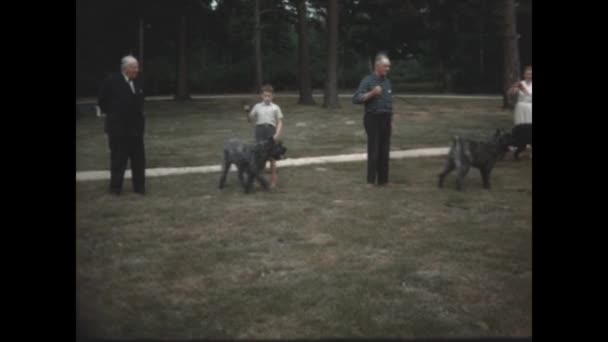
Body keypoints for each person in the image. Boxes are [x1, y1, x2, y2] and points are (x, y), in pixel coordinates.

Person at [97, 55, 146, 195]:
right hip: (118, 129)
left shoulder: (139, 81)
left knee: (139, 160)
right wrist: (114, 115)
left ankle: (140, 188)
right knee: (118, 159)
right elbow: (102, 101)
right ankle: (115, 189)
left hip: (136, 129)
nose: (137, 69)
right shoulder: (111, 81)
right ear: (125, 68)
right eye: (134, 67)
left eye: (137, 66)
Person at [352, 53, 394, 187]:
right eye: (385, 66)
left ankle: (383, 180)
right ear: (377, 66)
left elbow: (389, 103)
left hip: (386, 118)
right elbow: (356, 99)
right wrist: (372, 93)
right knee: (374, 150)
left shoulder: (387, 82)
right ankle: (370, 181)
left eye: (388, 67)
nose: (387, 69)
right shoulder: (368, 80)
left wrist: (391, 122)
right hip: (373, 118)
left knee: (385, 150)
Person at [248, 84, 284, 188]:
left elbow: (280, 122)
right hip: (259, 131)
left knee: (272, 157)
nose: (267, 98)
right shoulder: (257, 106)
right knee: (259, 157)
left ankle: (273, 180)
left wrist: (277, 133)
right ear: (261, 96)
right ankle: (260, 180)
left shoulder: (276, 107)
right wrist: (248, 113)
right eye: (265, 96)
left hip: (270, 131)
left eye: (269, 96)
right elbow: (250, 119)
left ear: (272, 96)